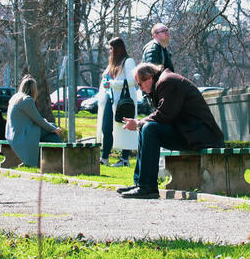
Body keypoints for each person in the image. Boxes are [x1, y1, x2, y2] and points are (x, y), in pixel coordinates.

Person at [120, 62, 224, 199]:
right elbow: (164, 115)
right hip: (188, 132)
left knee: (149, 128)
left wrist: (139, 122)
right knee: (146, 128)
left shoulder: (167, 82)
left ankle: (147, 187)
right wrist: (140, 124)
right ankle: (140, 183)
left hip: (201, 136)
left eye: (140, 84)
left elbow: (165, 115)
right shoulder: (164, 81)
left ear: (149, 78)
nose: (140, 88)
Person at [95, 37, 138, 167]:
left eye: (111, 48)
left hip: (123, 101)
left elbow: (132, 81)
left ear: (117, 48)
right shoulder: (112, 64)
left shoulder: (128, 61)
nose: (110, 51)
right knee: (106, 128)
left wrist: (112, 84)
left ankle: (124, 159)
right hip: (110, 99)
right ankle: (105, 157)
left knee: (124, 127)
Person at [5, 75, 62, 168]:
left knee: (51, 133)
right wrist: (54, 129)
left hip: (12, 134)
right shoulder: (27, 100)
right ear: (33, 89)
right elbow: (39, 120)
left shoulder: (15, 98)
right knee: (53, 132)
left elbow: (33, 119)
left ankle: (42, 161)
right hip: (22, 134)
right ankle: (61, 157)